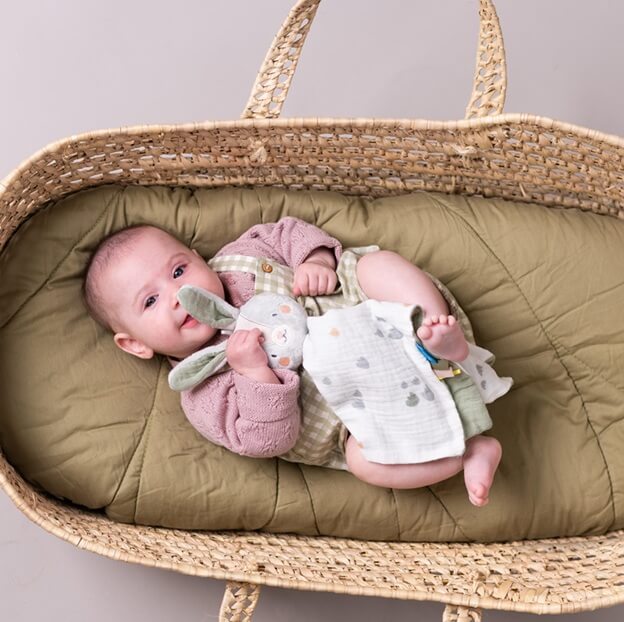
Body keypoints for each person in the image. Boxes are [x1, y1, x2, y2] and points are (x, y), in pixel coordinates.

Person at [83, 217, 503, 506]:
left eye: (179, 272)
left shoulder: (240, 258)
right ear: (134, 344)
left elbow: (286, 232)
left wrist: (314, 260)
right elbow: (268, 440)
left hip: (384, 320)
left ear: (196, 256)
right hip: (374, 410)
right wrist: (254, 374)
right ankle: (466, 452)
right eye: (151, 301)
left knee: (376, 265)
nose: (178, 295)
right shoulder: (202, 393)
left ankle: (437, 334)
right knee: (364, 462)